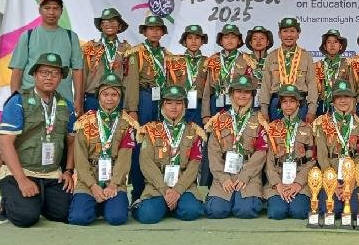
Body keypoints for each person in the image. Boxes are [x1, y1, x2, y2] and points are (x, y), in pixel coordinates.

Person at [0, 53, 76, 227]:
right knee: (26, 217)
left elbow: (72, 142)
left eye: (55, 73)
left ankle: (36, 201)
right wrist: (22, 180)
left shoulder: (66, 106)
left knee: (67, 213)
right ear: (34, 74)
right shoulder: (18, 101)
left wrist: (69, 171)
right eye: (44, 72)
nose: (49, 77)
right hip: (21, 171)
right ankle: (7, 201)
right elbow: (5, 143)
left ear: (61, 78)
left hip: (51, 173)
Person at [68, 72, 138, 226]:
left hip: (114, 180)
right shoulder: (84, 122)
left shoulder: (127, 124)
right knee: (79, 218)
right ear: (98, 96)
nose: (109, 98)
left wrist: (113, 184)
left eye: (114, 94)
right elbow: (80, 160)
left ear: (120, 97)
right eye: (105, 94)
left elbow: (124, 160)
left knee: (117, 218)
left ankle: (106, 206)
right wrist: (93, 186)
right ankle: (95, 205)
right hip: (88, 181)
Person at [133, 85, 205, 224]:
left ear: (184, 106)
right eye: (169, 103)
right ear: (162, 106)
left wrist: (177, 190)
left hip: (184, 186)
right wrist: (165, 190)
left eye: (178, 103)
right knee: (148, 216)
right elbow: (146, 163)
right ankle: (161, 205)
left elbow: (194, 165)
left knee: (192, 211)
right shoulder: (151, 130)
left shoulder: (194, 131)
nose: (174, 107)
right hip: (157, 186)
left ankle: (169, 205)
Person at [9, 0, 84, 115]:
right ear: (40, 10)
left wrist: (78, 100)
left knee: (63, 128)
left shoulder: (71, 37)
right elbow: (17, 70)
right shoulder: (28, 36)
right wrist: (14, 101)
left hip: (62, 101)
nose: (51, 12)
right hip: (30, 101)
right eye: (47, 8)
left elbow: (77, 70)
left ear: (61, 11)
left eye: (55, 8)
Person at [123, 15, 172, 202]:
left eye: (158, 29)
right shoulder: (137, 53)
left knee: (161, 143)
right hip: (144, 99)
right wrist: (133, 109)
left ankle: (161, 189)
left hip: (162, 101)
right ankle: (138, 191)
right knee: (141, 144)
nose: (155, 32)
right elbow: (132, 82)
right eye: (151, 29)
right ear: (144, 32)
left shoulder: (167, 55)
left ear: (162, 33)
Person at [205, 75, 268, 219]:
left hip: (249, 173)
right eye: (238, 91)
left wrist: (245, 175)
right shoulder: (219, 120)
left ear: (252, 95)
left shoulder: (260, 120)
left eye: (246, 92)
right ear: (231, 94)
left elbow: (261, 152)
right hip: (224, 171)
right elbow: (213, 152)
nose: (242, 95)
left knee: (246, 210)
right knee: (216, 211)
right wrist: (222, 177)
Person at [313, 79, 359, 217]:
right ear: (333, 100)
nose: (343, 100)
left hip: (352, 177)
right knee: (331, 210)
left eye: (346, 96)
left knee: (354, 211)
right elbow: (322, 157)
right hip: (331, 174)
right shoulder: (322, 124)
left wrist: (351, 182)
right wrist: (332, 181)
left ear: (353, 99)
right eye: (339, 97)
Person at [264, 84, 316, 220]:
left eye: (292, 101)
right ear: (280, 104)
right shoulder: (272, 129)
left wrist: (298, 183)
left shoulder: (307, 129)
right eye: (284, 101)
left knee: (298, 212)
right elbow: (268, 162)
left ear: (298, 103)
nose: (288, 105)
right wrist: (278, 184)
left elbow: (311, 161)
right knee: (277, 212)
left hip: (300, 180)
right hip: (278, 179)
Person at [259, 18, 318, 122]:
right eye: (285, 31)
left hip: (300, 102)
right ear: (279, 34)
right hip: (277, 102)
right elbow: (265, 85)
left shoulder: (306, 57)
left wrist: (312, 110)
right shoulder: (271, 57)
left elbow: (312, 84)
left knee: (299, 132)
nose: (289, 35)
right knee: (276, 132)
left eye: (292, 31)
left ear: (298, 34)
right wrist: (264, 111)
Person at [81, 8, 131, 112]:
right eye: (105, 21)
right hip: (93, 98)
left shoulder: (127, 49)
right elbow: (83, 75)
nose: (109, 24)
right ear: (100, 26)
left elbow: (128, 78)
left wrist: (128, 104)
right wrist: (79, 101)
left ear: (119, 26)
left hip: (116, 98)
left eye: (113, 21)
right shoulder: (90, 48)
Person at [201, 24, 253, 122]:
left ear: (239, 41)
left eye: (233, 37)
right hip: (216, 101)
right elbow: (207, 90)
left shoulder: (247, 60)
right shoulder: (213, 60)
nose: (229, 40)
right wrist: (205, 114)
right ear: (221, 41)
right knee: (216, 129)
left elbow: (250, 88)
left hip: (238, 102)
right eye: (226, 37)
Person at [171, 24, 208, 126]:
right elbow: (169, 85)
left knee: (198, 133)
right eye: (190, 38)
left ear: (202, 41)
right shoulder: (175, 61)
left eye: (197, 38)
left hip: (200, 105)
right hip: (180, 105)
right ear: (184, 41)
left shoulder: (208, 61)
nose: (193, 41)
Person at [314, 29, 353, 115]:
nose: (332, 45)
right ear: (325, 46)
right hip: (322, 105)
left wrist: (353, 108)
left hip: (342, 104)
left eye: (335, 42)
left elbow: (352, 88)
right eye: (329, 42)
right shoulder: (318, 65)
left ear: (340, 46)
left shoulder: (347, 64)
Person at [245, 25, 274, 109]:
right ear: (250, 42)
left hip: (270, 100)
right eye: (255, 38)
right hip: (248, 100)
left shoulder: (274, 59)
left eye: (262, 38)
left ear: (268, 42)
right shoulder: (243, 59)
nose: (258, 41)